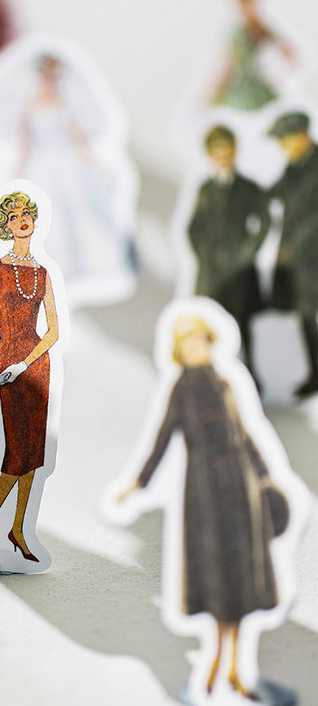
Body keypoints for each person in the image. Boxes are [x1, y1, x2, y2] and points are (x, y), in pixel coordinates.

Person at [118, 315, 286, 698]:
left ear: (210, 343)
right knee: (216, 578)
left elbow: (244, 435)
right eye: (187, 344)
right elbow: (163, 438)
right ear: (179, 351)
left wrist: (265, 477)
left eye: (200, 342)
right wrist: (139, 482)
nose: (195, 349)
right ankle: (215, 662)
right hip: (206, 497)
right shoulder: (182, 390)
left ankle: (236, 668)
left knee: (241, 580)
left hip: (241, 490)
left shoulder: (225, 383)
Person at [0, 192, 60, 566]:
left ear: (34, 220)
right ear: (5, 226)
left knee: (32, 452)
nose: (21, 219)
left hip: (36, 365)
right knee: (15, 452)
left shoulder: (43, 273)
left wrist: (26, 363)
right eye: (13, 215)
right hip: (7, 360)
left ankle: (18, 529)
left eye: (25, 213)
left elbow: (53, 330)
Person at [18, 54, 132, 282]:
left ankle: (75, 265)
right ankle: (51, 265)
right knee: (47, 216)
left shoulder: (65, 104)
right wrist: (17, 172)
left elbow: (77, 138)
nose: (54, 81)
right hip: (42, 167)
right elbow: (26, 143)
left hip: (66, 165)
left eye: (57, 76)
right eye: (50, 76)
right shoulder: (29, 105)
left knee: (73, 213)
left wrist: (94, 162)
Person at [187, 125, 270, 385]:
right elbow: (194, 227)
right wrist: (204, 255)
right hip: (212, 272)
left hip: (239, 271)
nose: (223, 158)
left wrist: (247, 252)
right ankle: (212, 381)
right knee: (210, 326)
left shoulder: (249, 188)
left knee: (243, 326)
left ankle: (251, 380)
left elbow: (265, 220)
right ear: (209, 156)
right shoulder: (206, 190)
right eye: (217, 153)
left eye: (227, 152)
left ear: (235, 151)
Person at [267, 111, 318, 396]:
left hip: (312, 254)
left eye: (286, 141)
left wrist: (293, 246)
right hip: (301, 262)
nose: (283, 148)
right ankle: (316, 373)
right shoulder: (293, 168)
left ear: (302, 136)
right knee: (305, 314)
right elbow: (274, 193)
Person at [211, 0, 296, 111]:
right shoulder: (241, 30)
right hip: (244, 92)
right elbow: (228, 67)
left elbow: (289, 54)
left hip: (254, 94)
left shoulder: (258, 28)